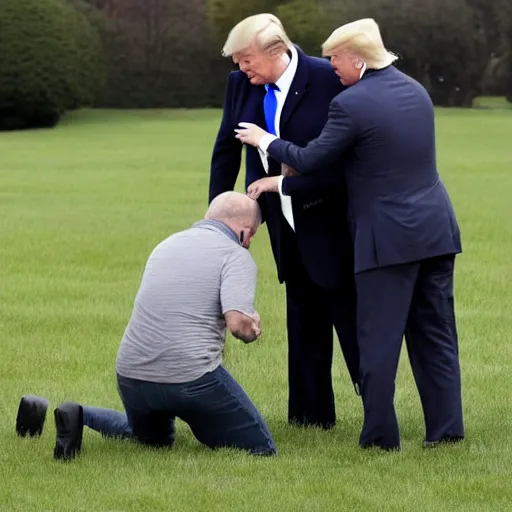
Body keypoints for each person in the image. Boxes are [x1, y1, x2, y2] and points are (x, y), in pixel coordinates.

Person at [235, 18, 464, 451]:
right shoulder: (416, 91)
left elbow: (314, 156)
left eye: (335, 58)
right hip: (436, 232)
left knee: (376, 340)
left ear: (358, 59)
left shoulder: (352, 103)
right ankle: (447, 430)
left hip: (387, 240)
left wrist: (266, 141)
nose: (331, 67)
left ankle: (380, 437)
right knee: (435, 335)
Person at [15, 192, 277, 459]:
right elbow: (237, 325)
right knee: (261, 447)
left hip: (133, 375)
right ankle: (208, 424)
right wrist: (253, 327)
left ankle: (78, 412)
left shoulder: (166, 244)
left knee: (151, 441)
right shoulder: (236, 255)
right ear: (246, 234)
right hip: (190, 380)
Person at [209, 13, 359, 430]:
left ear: (277, 50)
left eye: (247, 59)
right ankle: (310, 419)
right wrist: (216, 221)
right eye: (237, 61)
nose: (241, 68)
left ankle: (377, 412)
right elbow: (225, 150)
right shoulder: (240, 85)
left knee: (349, 319)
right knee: (303, 317)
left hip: (333, 220)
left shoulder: (328, 78)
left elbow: (346, 154)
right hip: (281, 222)